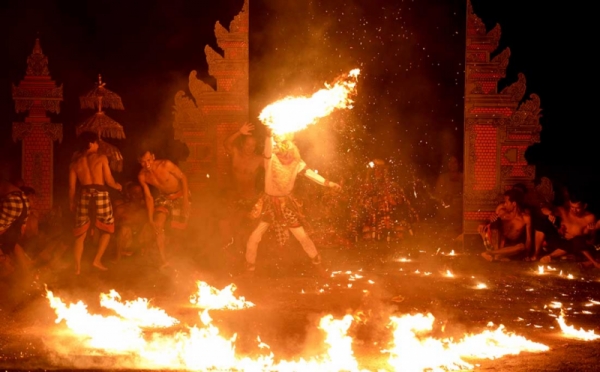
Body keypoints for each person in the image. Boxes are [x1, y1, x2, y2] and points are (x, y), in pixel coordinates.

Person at [244, 129, 341, 276]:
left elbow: (310, 174)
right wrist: (269, 134)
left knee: (303, 237)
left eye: (287, 144)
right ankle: (249, 270)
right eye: (281, 143)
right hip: (269, 205)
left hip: (286, 205)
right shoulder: (271, 158)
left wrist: (329, 183)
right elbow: (268, 146)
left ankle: (318, 265)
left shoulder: (296, 161)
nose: (284, 148)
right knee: (254, 237)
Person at [69, 131, 122, 274]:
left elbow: (72, 188)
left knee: (80, 234)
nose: (98, 145)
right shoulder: (101, 158)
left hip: (84, 196)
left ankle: (77, 268)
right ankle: (97, 260)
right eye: (96, 143)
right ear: (91, 144)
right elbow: (109, 181)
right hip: (100, 196)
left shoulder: (74, 163)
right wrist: (118, 186)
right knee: (108, 229)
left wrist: (72, 203)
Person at [138, 149, 190, 267]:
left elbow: (183, 178)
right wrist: (150, 218)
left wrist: (186, 200)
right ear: (139, 162)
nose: (147, 164)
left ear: (153, 157)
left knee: (178, 229)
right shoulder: (142, 176)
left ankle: (179, 258)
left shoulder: (166, 165)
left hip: (180, 195)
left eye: (149, 160)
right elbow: (149, 198)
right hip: (164, 198)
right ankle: (163, 260)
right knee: (158, 225)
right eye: (143, 162)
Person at [537, 194, 596, 264]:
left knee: (577, 241)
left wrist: (592, 230)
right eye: (572, 207)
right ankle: (535, 254)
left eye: (577, 208)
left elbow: (591, 240)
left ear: (584, 206)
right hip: (561, 241)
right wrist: (550, 213)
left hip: (576, 245)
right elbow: (545, 208)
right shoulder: (564, 211)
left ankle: (550, 256)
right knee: (541, 224)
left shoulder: (590, 217)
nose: (574, 210)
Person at [479, 189, 531, 261]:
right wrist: (484, 223)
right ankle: (497, 255)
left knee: (521, 246)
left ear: (514, 204)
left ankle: (492, 254)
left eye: (506, 202)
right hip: (498, 243)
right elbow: (491, 220)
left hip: (511, 247)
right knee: (496, 221)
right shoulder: (502, 211)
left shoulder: (525, 218)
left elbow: (529, 239)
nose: (505, 204)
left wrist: (527, 255)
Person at [0, 178, 32, 271]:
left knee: (12, 242)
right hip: (24, 202)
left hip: (14, 202)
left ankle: (5, 262)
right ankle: (26, 274)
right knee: (13, 242)